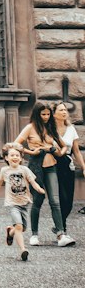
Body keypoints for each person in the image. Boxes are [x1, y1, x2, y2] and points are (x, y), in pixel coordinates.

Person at [14, 102, 73, 247]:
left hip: (51, 166)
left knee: (55, 201)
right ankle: (34, 235)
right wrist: (30, 152)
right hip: (35, 167)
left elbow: (64, 146)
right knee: (38, 200)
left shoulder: (51, 127)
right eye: (43, 114)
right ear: (37, 114)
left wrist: (58, 151)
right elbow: (16, 144)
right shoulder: (30, 127)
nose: (46, 117)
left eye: (48, 114)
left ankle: (61, 235)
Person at [0, 145, 46, 261]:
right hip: (12, 203)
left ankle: (10, 232)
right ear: (6, 158)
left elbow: (32, 182)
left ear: (21, 158)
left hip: (24, 203)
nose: (14, 157)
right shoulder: (5, 170)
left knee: (22, 228)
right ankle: (23, 250)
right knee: (19, 226)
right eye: (12, 155)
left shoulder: (24, 170)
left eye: (17, 155)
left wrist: (39, 189)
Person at [54, 101, 84, 236]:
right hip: (53, 164)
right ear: (54, 114)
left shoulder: (71, 129)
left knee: (68, 201)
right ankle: (62, 229)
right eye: (60, 110)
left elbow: (76, 151)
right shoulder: (49, 129)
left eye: (65, 110)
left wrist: (83, 167)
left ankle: (60, 225)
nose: (64, 112)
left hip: (68, 164)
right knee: (59, 197)